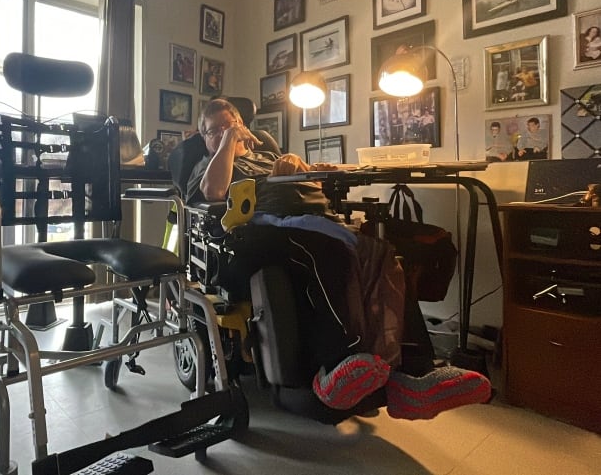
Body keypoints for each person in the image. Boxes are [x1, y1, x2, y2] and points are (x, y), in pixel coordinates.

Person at [187, 98, 491, 420]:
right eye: (212, 132)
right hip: (254, 232)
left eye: (228, 126)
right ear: (204, 138)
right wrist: (229, 141)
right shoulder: (207, 165)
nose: (220, 135)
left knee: (383, 255)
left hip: (310, 220)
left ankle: (414, 376)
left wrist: (308, 172)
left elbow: (309, 193)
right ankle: (338, 365)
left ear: (242, 125)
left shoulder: (269, 157)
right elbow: (213, 192)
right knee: (326, 252)